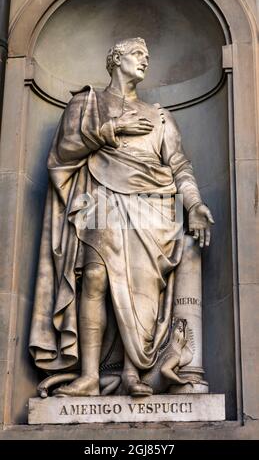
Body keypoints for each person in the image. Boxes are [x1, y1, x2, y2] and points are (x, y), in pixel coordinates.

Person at [29, 37, 214, 397]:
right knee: (95, 276)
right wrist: (111, 130)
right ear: (115, 59)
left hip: (153, 202)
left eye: (147, 56)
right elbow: (64, 150)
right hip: (101, 198)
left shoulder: (160, 116)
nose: (145, 60)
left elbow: (179, 165)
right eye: (137, 54)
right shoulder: (87, 104)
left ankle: (133, 374)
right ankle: (89, 377)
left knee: (141, 289)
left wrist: (193, 204)